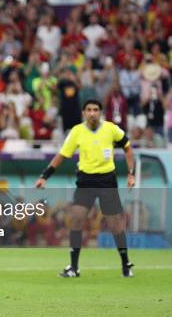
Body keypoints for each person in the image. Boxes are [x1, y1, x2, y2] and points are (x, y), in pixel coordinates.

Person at [35, 99, 135, 278]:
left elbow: (128, 148)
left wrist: (131, 173)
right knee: (76, 219)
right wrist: (44, 176)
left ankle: (125, 263)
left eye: (96, 109)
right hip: (85, 180)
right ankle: (74, 267)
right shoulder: (77, 131)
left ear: (101, 112)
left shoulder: (111, 129)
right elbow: (62, 155)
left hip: (107, 180)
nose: (92, 113)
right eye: (89, 110)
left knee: (115, 225)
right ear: (84, 113)